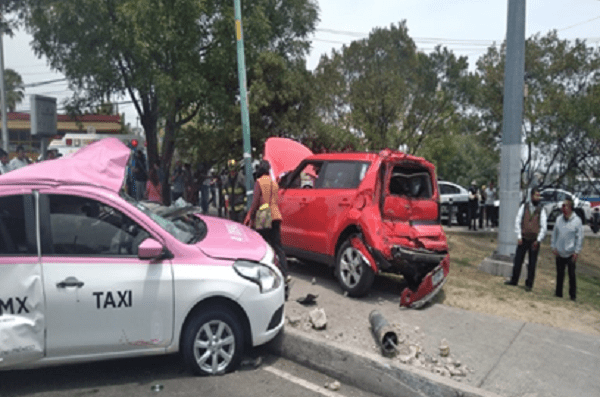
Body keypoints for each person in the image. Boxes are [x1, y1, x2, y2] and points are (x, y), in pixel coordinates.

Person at [244, 160, 288, 280]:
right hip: (276, 215)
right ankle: (285, 273)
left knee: (263, 245)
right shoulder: (274, 183)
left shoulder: (259, 182)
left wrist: (249, 216)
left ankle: (265, 273)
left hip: (264, 215)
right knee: (278, 246)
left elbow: (255, 202)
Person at [505, 188, 547, 291]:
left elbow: (543, 226)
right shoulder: (524, 207)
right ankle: (514, 280)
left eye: (539, 196)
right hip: (523, 238)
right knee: (518, 260)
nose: (538, 198)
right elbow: (518, 221)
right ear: (532, 196)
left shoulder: (541, 210)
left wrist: (538, 240)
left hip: (534, 240)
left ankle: (529, 284)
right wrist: (519, 236)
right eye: (536, 195)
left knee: (532, 263)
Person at [551, 197, 584, 301]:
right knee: (559, 274)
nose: (563, 208)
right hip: (560, 252)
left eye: (565, 206)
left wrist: (577, 251)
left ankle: (572, 295)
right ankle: (558, 293)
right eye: (562, 206)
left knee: (571, 275)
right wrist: (554, 246)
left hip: (570, 253)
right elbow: (554, 234)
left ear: (570, 208)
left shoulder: (577, 221)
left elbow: (580, 237)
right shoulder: (559, 219)